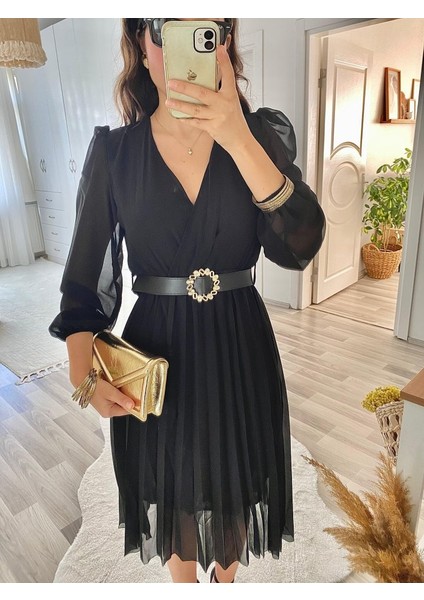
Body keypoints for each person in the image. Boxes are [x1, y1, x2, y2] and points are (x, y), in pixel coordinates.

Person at [49, 17, 326, 584]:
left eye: (206, 27)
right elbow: (83, 284)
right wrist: (84, 370)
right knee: (172, 482)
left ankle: (224, 582)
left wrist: (238, 137)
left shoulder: (259, 135)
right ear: (141, 42)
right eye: (163, 28)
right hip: (157, 350)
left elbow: (299, 246)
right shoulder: (115, 154)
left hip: (240, 344)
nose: (179, 47)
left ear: (224, 43)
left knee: (236, 476)